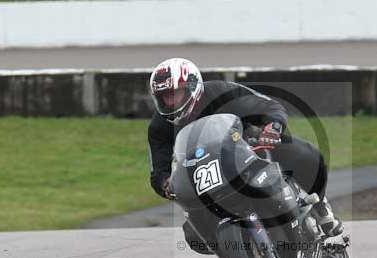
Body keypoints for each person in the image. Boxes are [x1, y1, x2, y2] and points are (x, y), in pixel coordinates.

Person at [147, 57, 343, 237]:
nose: (169, 102)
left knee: (305, 155)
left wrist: (272, 128)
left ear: (192, 87)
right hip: (204, 173)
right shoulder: (158, 127)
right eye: (164, 97)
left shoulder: (220, 92)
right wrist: (167, 185)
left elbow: (268, 106)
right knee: (192, 234)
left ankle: (319, 204)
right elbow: (158, 171)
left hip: (246, 146)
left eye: (174, 94)